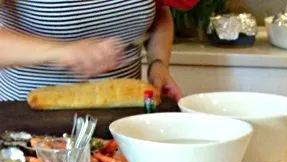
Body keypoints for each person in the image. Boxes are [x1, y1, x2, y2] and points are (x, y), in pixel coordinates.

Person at [0, 0, 181, 102]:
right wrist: (62, 51)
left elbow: (159, 12)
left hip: (124, 119)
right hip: (32, 121)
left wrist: (158, 63)